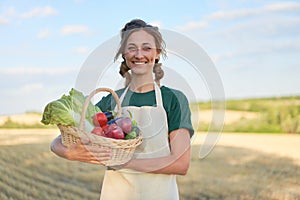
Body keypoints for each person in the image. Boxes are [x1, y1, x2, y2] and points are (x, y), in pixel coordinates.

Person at [50, 19, 194, 200]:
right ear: (124, 54)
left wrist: (125, 162)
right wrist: (67, 152)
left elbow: (180, 163)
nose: (139, 54)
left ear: (157, 53)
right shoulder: (112, 100)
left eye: (146, 48)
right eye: (132, 47)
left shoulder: (173, 99)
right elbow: (59, 141)